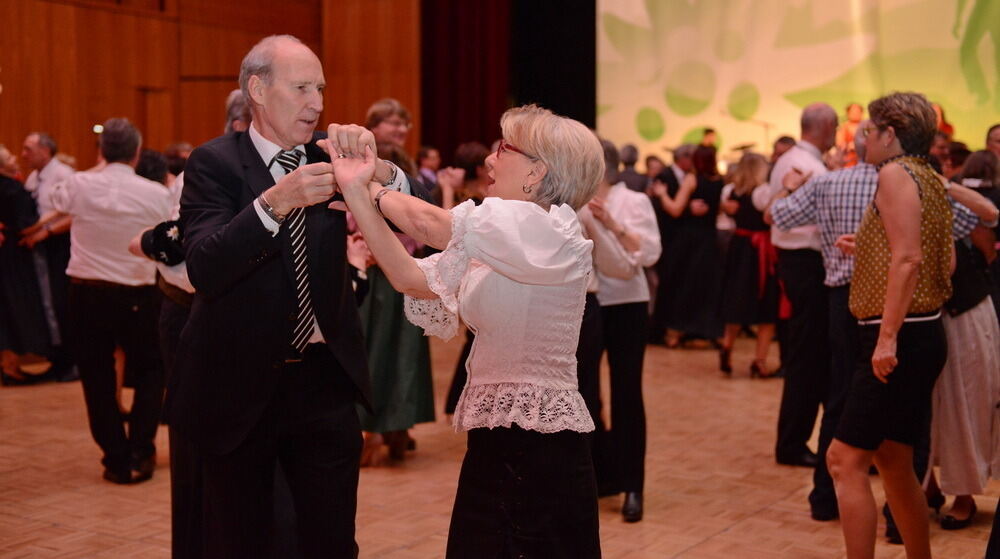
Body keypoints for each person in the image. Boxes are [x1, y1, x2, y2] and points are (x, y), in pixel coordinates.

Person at [166, 35, 416, 557]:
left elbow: (418, 203)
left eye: (321, 88)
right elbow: (205, 267)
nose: (318, 103)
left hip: (324, 380)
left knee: (330, 540)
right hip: (239, 389)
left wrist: (383, 171)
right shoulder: (214, 163)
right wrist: (273, 204)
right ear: (257, 88)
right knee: (245, 539)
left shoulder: (330, 155)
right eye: (302, 88)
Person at [328, 104, 604, 557]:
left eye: (502, 149)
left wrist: (367, 187)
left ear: (537, 171)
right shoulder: (501, 239)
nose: (490, 162)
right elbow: (409, 277)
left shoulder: (551, 231)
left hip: (540, 451)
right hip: (494, 442)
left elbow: (429, 223)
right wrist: (360, 194)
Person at [770, 120, 986, 525]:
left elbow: (778, 216)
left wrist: (790, 185)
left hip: (847, 305)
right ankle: (896, 520)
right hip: (906, 308)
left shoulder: (830, 182)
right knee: (908, 422)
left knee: (840, 400)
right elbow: (965, 227)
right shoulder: (920, 184)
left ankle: (824, 501)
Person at [826, 92, 954, 559]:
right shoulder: (930, 177)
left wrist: (886, 339)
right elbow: (942, 256)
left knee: (843, 461)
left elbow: (910, 258)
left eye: (869, 129)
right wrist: (868, 248)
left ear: (890, 134)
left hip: (896, 335)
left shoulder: (896, 173)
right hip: (922, 332)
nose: (863, 138)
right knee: (895, 460)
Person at [48, 117, 172, 484]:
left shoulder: (78, 184)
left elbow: (56, 200)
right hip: (137, 292)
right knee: (152, 370)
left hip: (87, 293)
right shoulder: (155, 193)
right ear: (137, 152)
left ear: (101, 151)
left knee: (97, 375)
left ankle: (115, 456)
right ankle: (141, 451)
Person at [577, 138, 660, 522]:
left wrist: (610, 223)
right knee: (586, 396)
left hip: (627, 304)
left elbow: (648, 254)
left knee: (627, 393)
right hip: (585, 305)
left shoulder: (634, 200)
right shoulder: (572, 199)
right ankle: (601, 476)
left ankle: (633, 487)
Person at [765, 103, 838, 469]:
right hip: (805, 264)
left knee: (811, 355)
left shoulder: (794, 158)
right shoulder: (807, 166)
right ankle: (792, 443)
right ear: (826, 128)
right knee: (806, 357)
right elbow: (775, 212)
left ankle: (802, 440)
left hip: (799, 264)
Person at [652, 145, 724, 346]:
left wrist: (662, 194)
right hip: (710, 240)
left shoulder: (692, 179)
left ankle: (677, 332)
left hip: (690, 242)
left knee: (685, 286)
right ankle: (706, 331)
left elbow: (675, 210)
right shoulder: (719, 180)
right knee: (706, 287)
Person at [19, 132, 76, 381]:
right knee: (48, 303)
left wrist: (45, 232)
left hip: (61, 244)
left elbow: (73, 212)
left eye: (28, 149)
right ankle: (57, 359)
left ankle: (71, 363)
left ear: (45, 150)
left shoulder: (63, 174)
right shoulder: (34, 177)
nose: (23, 154)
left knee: (62, 304)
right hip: (41, 246)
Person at [719, 152, 778, 376]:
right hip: (757, 250)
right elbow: (769, 216)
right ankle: (759, 361)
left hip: (738, 248)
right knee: (766, 304)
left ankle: (727, 346)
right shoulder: (763, 192)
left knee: (736, 299)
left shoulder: (730, 191)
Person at [648, 144, 695, 343]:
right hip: (667, 239)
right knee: (665, 284)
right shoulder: (665, 176)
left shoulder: (684, 177)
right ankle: (659, 330)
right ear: (683, 158)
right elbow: (662, 210)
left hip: (680, 241)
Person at [837, 103, 864, 167]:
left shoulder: (865, 126)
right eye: (853, 112)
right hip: (848, 161)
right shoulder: (844, 127)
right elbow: (840, 144)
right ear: (848, 113)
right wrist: (849, 146)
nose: (855, 114)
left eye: (857, 111)